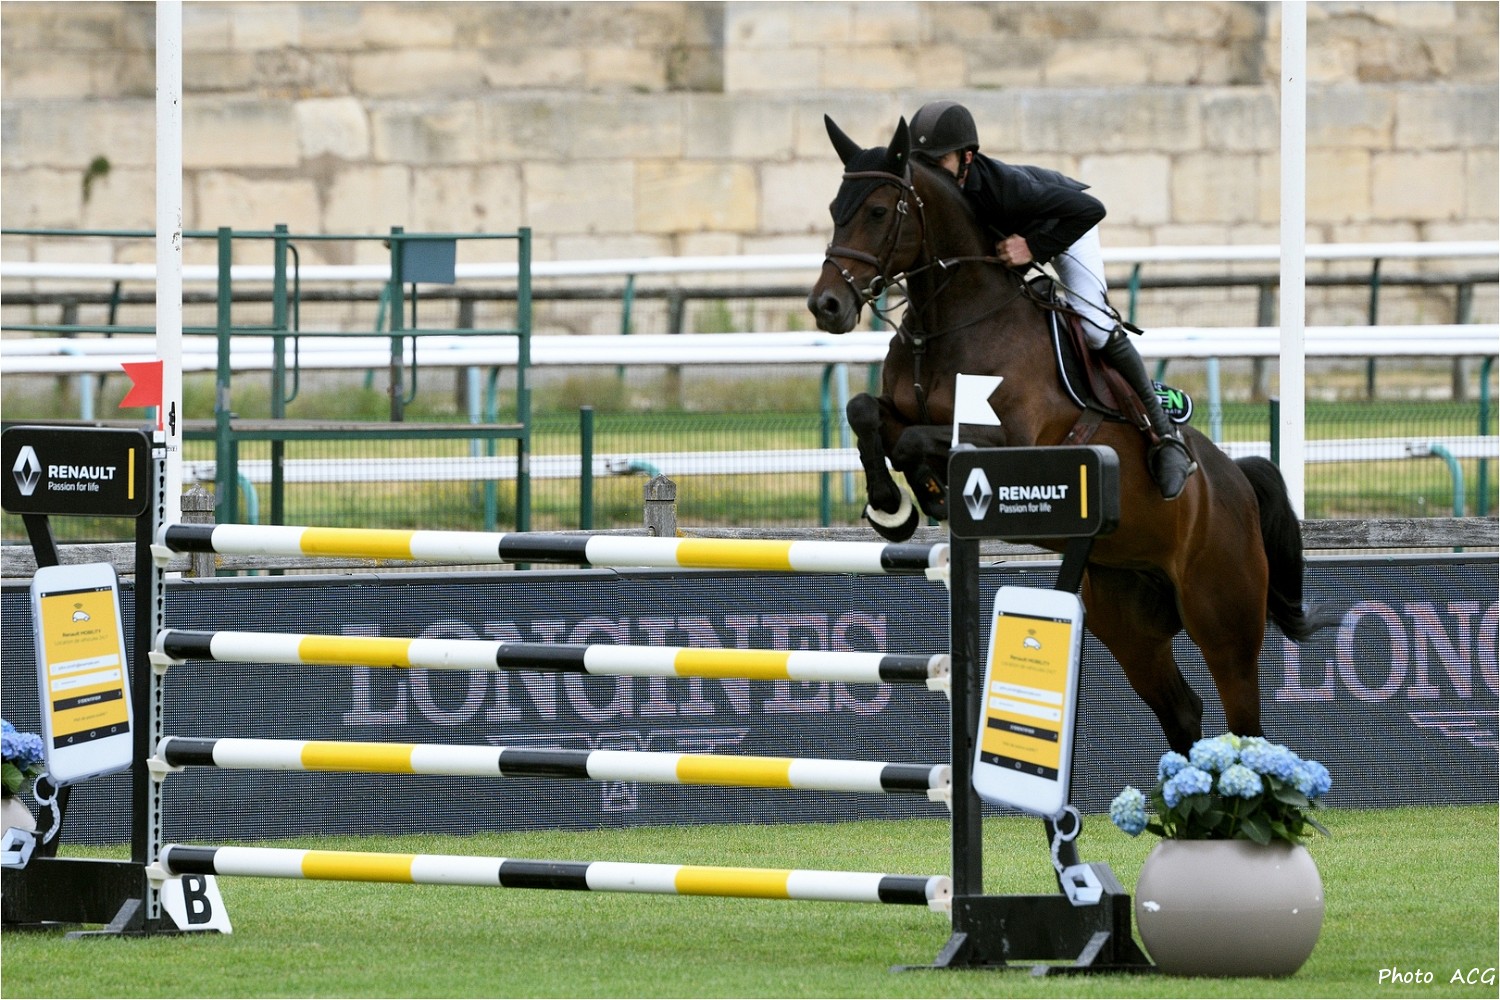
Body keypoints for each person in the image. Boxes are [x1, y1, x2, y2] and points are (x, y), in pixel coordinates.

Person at [908, 100, 1196, 501]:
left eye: (938, 161)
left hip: (1066, 226)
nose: (928, 171)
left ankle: (1165, 435)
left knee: (1095, 327)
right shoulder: (943, 194)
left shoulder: (1006, 190)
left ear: (966, 158)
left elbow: (1091, 210)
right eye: (922, 162)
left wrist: (1033, 246)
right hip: (1019, 242)